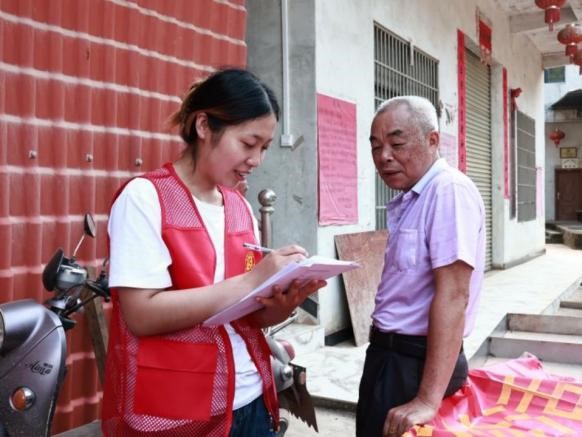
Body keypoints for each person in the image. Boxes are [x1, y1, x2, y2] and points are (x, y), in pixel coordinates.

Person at [101, 68, 326, 437]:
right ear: (204, 126)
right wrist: (254, 278)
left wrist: (280, 305)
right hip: (174, 411)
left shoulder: (240, 208)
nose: (256, 159)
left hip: (250, 397)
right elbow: (140, 314)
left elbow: (242, 315)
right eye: (248, 143)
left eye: (265, 148)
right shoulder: (145, 198)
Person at [356, 96, 485, 437]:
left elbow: (455, 294)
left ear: (433, 140)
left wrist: (428, 399)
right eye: (376, 147)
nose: (384, 156)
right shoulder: (413, 197)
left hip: (415, 366)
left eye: (397, 143)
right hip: (389, 358)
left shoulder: (447, 191)